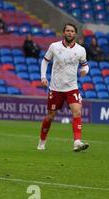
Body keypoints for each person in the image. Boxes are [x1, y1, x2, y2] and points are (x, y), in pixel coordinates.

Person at [38, 23, 89, 152]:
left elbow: (85, 65)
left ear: (75, 34)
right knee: (50, 116)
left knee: (77, 111)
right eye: (67, 30)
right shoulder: (54, 46)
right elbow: (45, 61)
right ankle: (42, 141)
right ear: (63, 32)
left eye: (72, 31)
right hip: (56, 88)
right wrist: (43, 77)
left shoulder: (81, 50)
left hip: (72, 87)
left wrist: (85, 71)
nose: (70, 33)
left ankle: (77, 142)